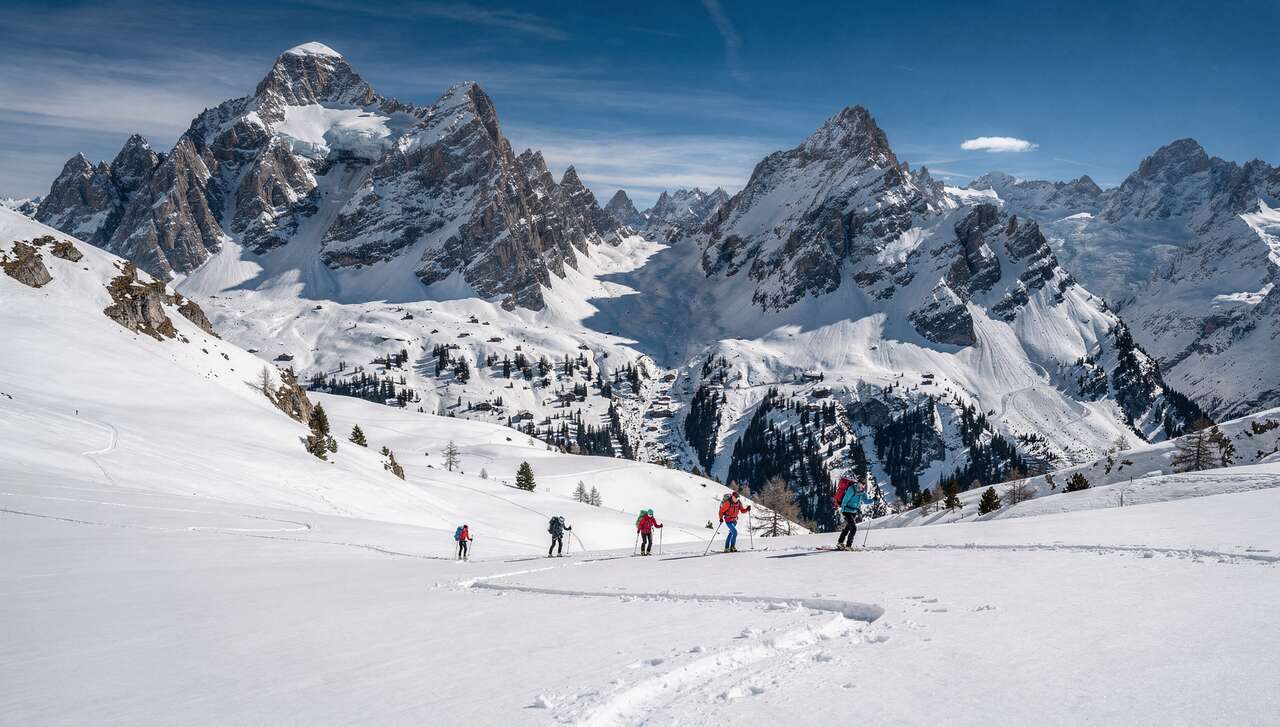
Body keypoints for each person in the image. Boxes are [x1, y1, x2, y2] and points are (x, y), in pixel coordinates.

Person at [833, 477, 872, 550]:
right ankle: (848, 546)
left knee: (847, 528)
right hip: (846, 511)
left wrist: (874, 500)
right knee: (854, 528)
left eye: (863, 484)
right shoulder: (852, 489)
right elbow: (845, 500)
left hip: (853, 511)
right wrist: (842, 511)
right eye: (860, 484)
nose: (861, 486)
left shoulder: (862, 492)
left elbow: (866, 501)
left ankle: (840, 542)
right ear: (858, 483)